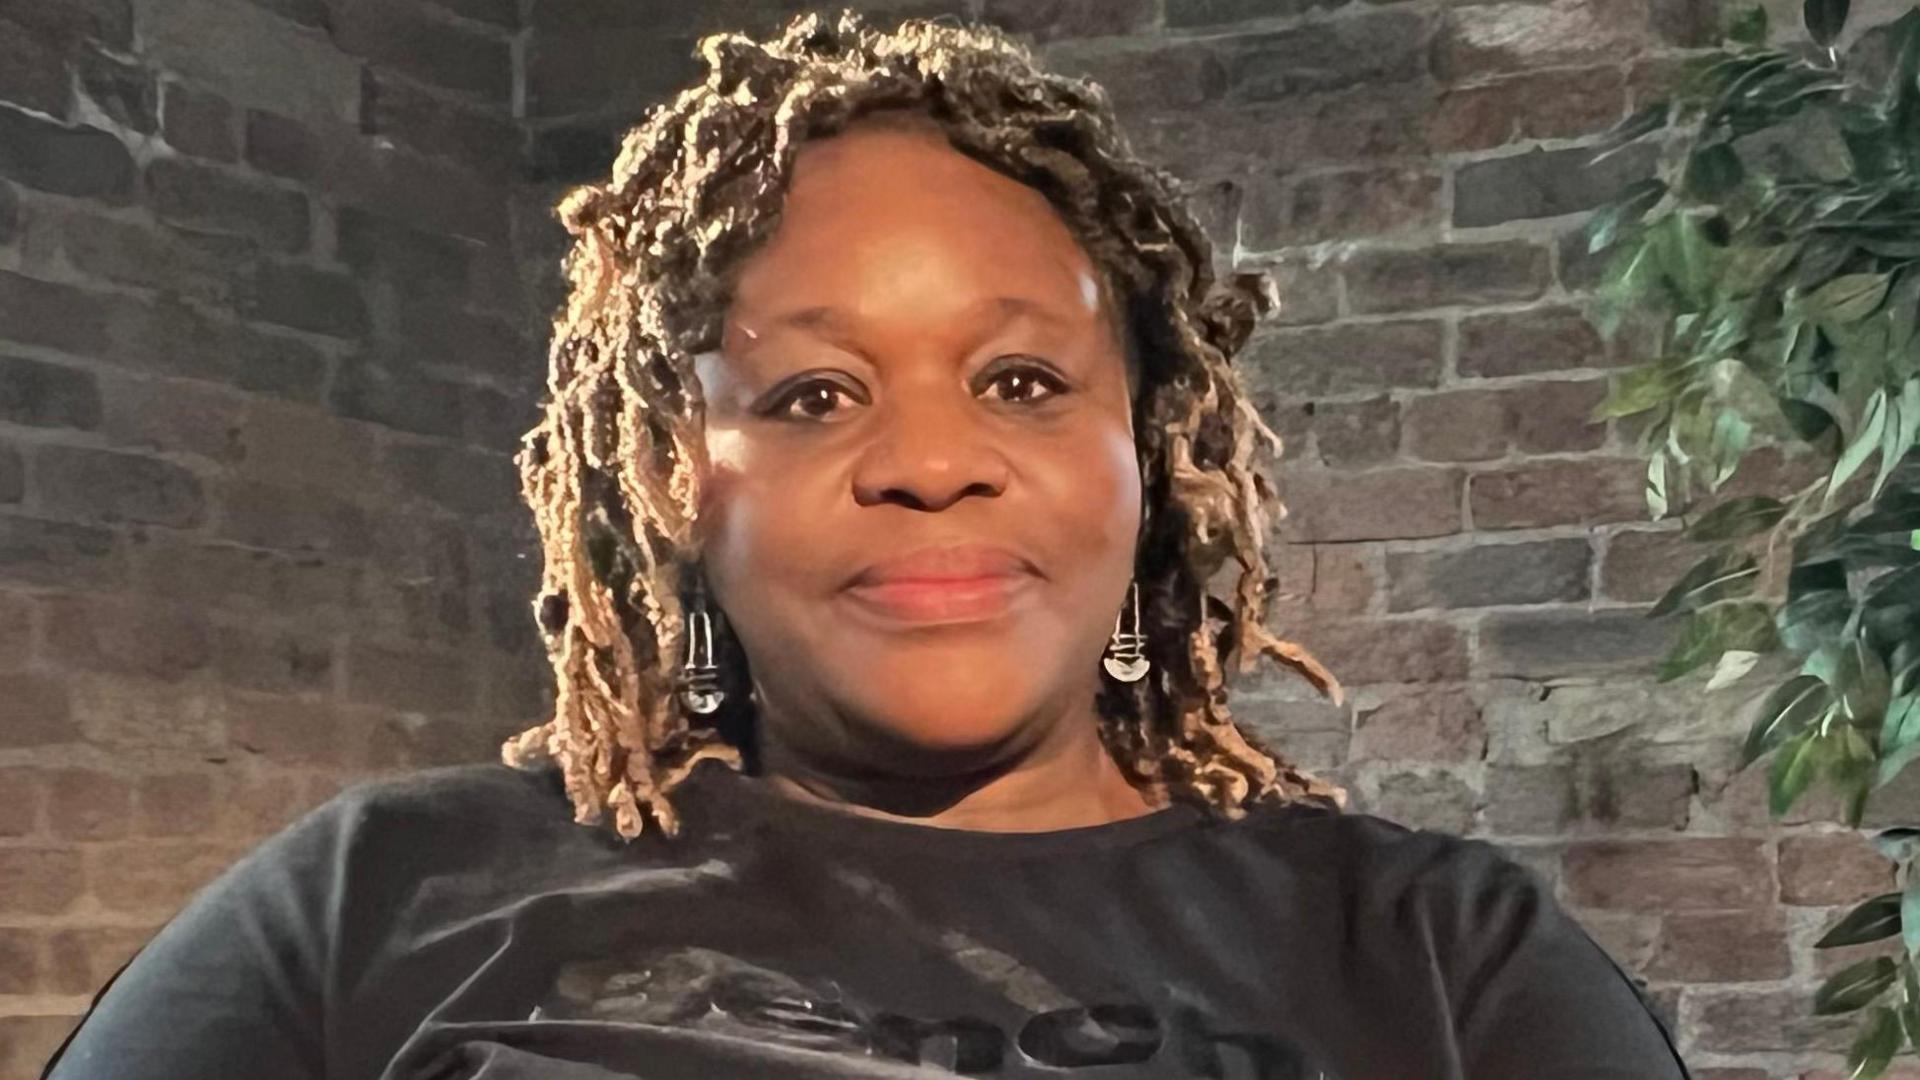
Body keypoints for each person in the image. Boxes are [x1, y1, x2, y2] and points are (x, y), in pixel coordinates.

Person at [40, 9, 1692, 1079]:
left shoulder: (1440, 963)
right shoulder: (372, 903)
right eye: (816, 392)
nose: (926, 462)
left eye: (1022, 378)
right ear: (679, 479)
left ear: (1154, 454)